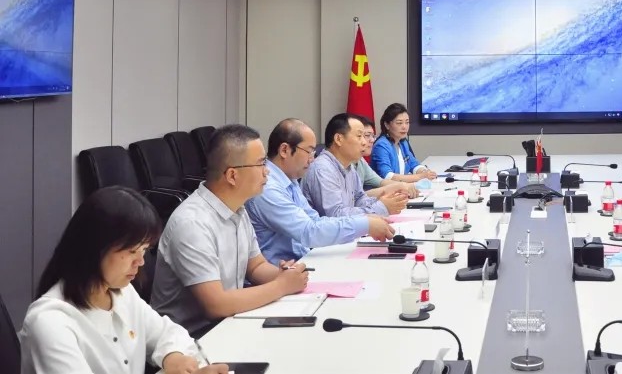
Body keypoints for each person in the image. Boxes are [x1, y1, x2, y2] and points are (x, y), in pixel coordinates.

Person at [19, 186, 227, 374]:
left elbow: (166, 332)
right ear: (95, 248)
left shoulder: (121, 293)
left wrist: (174, 357)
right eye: (131, 251)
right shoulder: (49, 322)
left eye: (144, 250)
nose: (140, 262)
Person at [152, 124, 309, 335]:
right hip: (190, 338)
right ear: (233, 175)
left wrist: (284, 275)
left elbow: (255, 267)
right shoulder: (192, 223)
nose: (267, 171)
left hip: (228, 322)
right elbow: (216, 305)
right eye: (261, 163)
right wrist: (281, 286)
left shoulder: (238, 208)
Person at [246, 118, 395, 265]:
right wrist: (365, 224)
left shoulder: (289, 180)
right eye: (309, 151)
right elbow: (308, 232)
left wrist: (367, 219)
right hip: (281, 272)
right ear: (285, 150)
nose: (312, 159)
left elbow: (315, 220)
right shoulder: (268, 188)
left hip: (301, 262)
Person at [302, 113, 411, 217]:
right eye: (359, 136)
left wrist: (383, 201)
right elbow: (335, 215)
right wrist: (381, 208)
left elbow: (359, 200)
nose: (364, 142)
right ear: (338, 139)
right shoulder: (323, 169)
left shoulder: (349, 167)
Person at [370, 103, 438, 180]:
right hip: (384, 187)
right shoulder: (381, 145)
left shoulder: (403, 142)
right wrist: (420, 176)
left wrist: (425, 172)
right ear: (387, 125)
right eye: (399, 123)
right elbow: (387, 176)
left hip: (400, 186)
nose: (404, 127)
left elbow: (413, 164)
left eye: (407, 122)